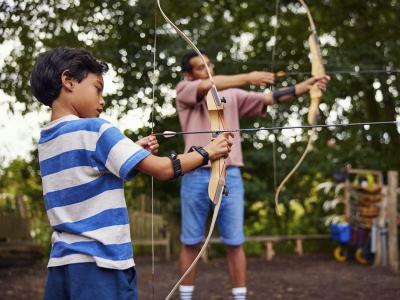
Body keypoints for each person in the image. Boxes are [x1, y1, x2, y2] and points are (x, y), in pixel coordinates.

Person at [30, 47, 233, 300]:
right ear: (68, 81)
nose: (102, 100)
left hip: (61, 265)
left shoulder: (47, 140)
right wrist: (209, 151)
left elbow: (90, 176)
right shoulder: (96, 129)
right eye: (98, 88)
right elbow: (163, 169)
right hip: (102, 264)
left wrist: (132, 153)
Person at [175, 49, 330, 300]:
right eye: (200, 66)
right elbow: (207, 85)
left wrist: (307, 86)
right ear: (188, 73)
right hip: (195, 173)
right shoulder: (184, 90)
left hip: (230, 174)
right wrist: (249, 76)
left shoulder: (232, 95)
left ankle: (239, 297)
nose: (207, 68)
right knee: (191, 241)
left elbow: (270, 98)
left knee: (235, 242)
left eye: (209, 63)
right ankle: (184, 297)